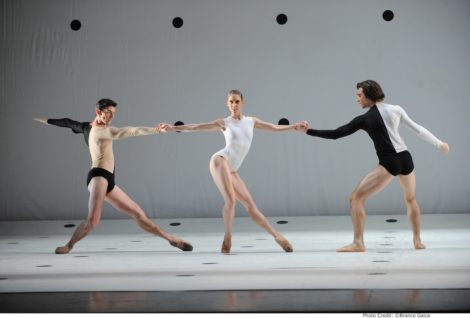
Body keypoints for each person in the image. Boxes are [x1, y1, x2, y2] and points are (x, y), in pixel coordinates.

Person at [303, 80, 449, 252]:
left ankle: (358, 243)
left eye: (359, 95)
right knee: (411, 199)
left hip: (389, 161)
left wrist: (308, 131)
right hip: (406, 158)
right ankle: (417, 241)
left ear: (369, 95)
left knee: (355, 199)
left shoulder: (365, 119)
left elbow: (336, 134)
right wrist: (439, 144)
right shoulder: (396, 109)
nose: (357, 99)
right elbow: (418, 129)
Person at [34, 98, 193, 254]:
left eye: (113, 113)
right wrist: (157, 129)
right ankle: (68, 246)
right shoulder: (105, 131)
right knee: (93, 220)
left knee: (137, 213)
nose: (112, 116)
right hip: (98, 177)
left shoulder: (84, 127)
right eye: (108, 113)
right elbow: (131, 131)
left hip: (108, 179)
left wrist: (47, 120)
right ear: (98, 112)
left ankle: (171, 239)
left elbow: (68, 122)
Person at [159, 90, 308, 253]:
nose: (234, 105)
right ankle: (227, 237)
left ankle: (277, 236)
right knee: (231, 200)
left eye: (237, 101)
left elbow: (274, 127)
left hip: (232, 169)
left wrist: (294, 127)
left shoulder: (251, 121)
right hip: (220, 160)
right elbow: (196, 127)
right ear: (227, 104)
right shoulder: (223, 122)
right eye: (231, 102)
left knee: (251, 205)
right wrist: (173, 128)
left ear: (242, 103)